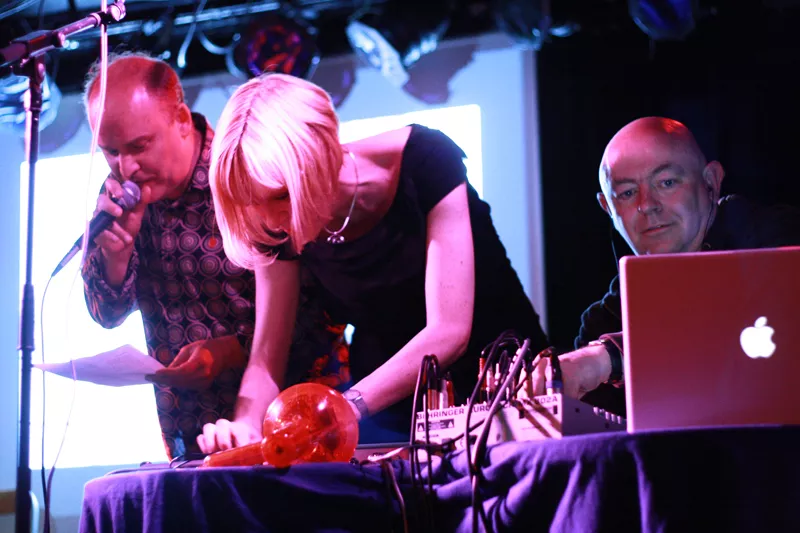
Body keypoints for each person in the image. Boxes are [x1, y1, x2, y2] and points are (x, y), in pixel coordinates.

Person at [198, 73, 550, 452]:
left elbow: (449, 331)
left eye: (280, 196)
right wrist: (245, 426)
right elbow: (267, 355)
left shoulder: (425, 160)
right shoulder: (279, 225)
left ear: (318, 157)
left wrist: (346, 406)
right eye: (254, 203)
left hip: (506, 383)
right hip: (392, 411)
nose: (270, 221)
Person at [81, 54, 348, 458]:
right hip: (195, 435)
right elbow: (106, 314)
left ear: (181, 120)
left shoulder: (246, 170)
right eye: (110, 152)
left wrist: (231, 351)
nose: (126, 167)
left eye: (139, 146)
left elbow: (323, 308)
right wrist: (116, 257)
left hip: (303, 421)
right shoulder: (120, 194)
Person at [531, 116, 800, 414]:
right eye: (627, 193)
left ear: (711, 181)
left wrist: (611, 356)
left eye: (667, 182)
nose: (647, 204)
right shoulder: (607, 319)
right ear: (608, 208)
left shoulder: (777, 238)